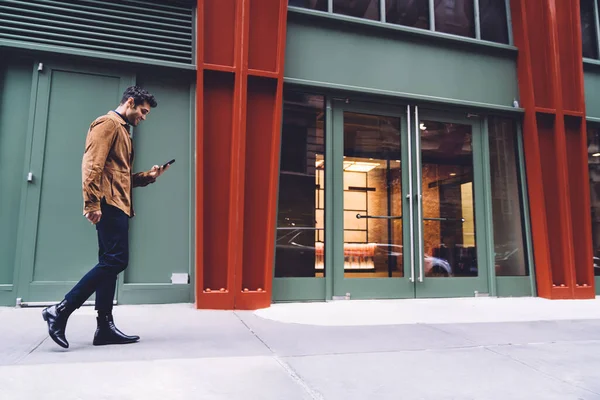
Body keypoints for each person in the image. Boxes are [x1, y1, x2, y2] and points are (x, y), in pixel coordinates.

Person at [42, 86, 169, 349]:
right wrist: (91, 203)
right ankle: (61, 310)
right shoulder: (107, 124)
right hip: (108, 204)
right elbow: (92, 165)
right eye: (143, 111)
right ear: (130, 103)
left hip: (117, 203)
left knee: (109, 263)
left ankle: (104, 328)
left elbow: (119, 178)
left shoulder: (122, 130)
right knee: (116, 260)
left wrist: (148, 177)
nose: (144, 117)